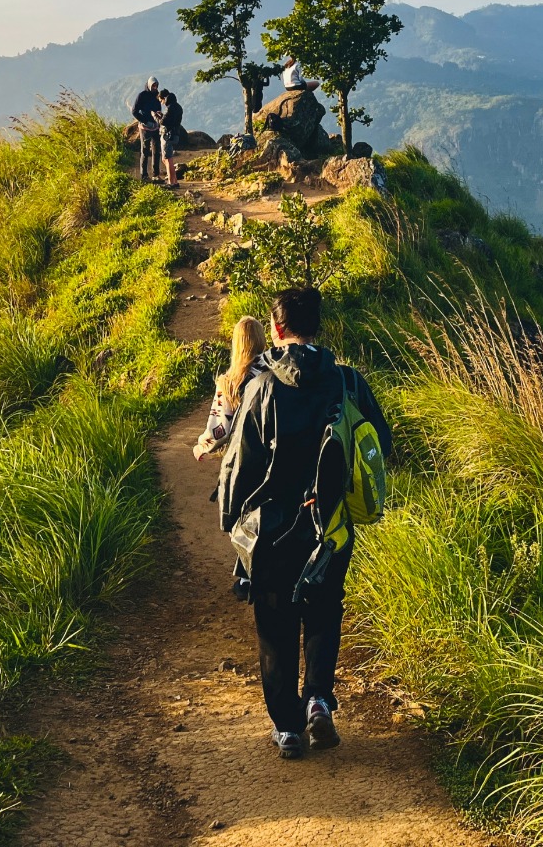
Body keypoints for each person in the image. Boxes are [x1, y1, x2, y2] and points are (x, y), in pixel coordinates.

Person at [218, 287, 391, 760]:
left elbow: (237, 466)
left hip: (272, 529)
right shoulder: (348, 382)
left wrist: (232, 524)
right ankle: (318, 699)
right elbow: (381, 444)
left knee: (274, 625)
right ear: (317, 326)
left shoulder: (260, 387)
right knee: (324, 610)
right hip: (331, 526)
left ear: (276, 329)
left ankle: (289, 729)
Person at [194, 316, 268, 460]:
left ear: (237, 344)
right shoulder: (275, 371)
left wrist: (202, 446)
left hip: (246, 455)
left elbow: (219, 430)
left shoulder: (229, 382)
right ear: (261, 339)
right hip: (276, 451)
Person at [130, 76, 162, 182]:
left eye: (156, 85)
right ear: (149, 85)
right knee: (145, 151)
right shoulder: (142, 96)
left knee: (157, 151)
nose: (155, 87)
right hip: (145, 128)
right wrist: (144, 120)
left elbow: (159, 109)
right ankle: (144, 176)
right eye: (153, 85)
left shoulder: (157, 96)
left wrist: (158, 118)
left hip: (155, 127)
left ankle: (155, 175)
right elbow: (134, 111)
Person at [158, 87, 185, 187]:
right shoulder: (178, 106)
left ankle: (171, 182)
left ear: (164, 98)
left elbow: (164, 122)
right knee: (168, 159)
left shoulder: (170, 108)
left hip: (168, 136)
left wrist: (157, 117)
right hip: (175, 134)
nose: (161, 103)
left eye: (161, 100)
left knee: (167, 159)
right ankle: (174, 181)